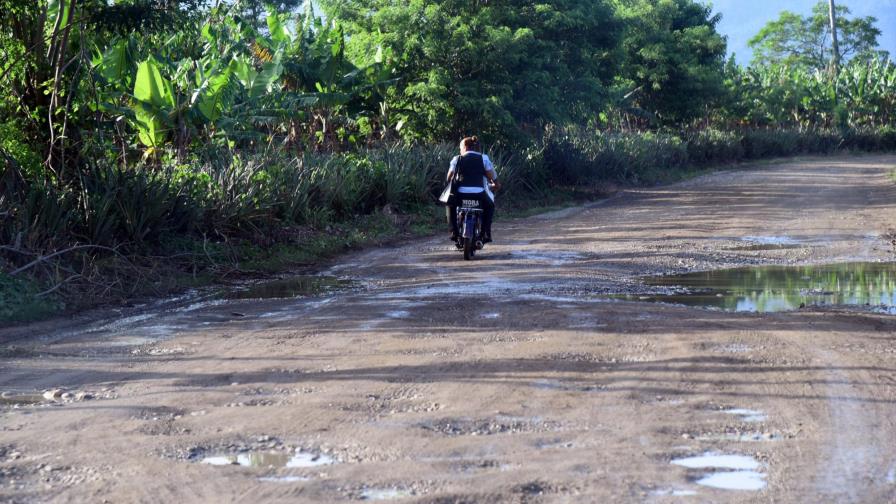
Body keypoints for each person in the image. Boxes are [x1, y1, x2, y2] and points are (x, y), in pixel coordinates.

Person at [447, 136, 500, 243]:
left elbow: (449, 177)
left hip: (461, 195)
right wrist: (496, 185)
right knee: (489, 206)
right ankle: (485, 233)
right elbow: (492, 177)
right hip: (479, 194)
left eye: (460, 148)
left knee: (450, 205)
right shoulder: (483, 158)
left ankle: (454, 232)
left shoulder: (457, 159)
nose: (460, 150)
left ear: (465, 147)